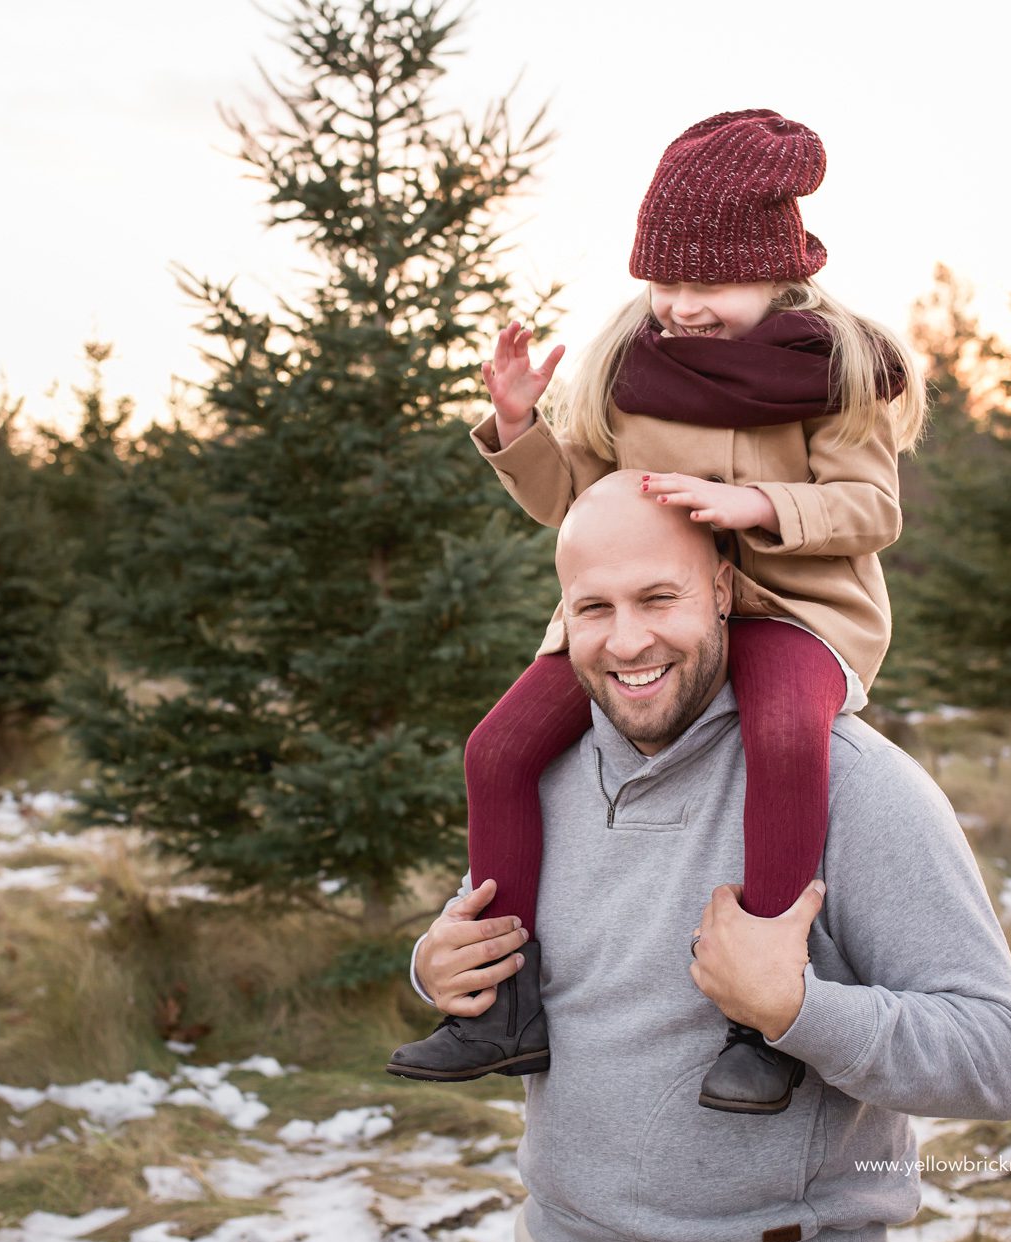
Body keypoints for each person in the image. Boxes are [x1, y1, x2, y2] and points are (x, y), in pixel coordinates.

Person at [387, 108, 929, 1112]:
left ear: (777, 270)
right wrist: (516, 425)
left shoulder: (835, 368)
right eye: (664, 282)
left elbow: (872, 509)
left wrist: (756, 505)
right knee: (497, 751)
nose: (680, 305)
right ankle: (503, 1006)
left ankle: (763, 1013)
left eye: (707, 284)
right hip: (644, 611)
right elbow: (576, 501)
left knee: (781, 736)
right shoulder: (633, 364)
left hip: (792, 606)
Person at [398, 473, 1011, 1242]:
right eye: (594, 607)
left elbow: (1001, 1060)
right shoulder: (541, 776)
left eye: (659, 598)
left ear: (724, 589)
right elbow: (483, 934)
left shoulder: (860, 784)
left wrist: (796, 1010)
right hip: (554, 1241)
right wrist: (437, 968)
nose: (627, 641)